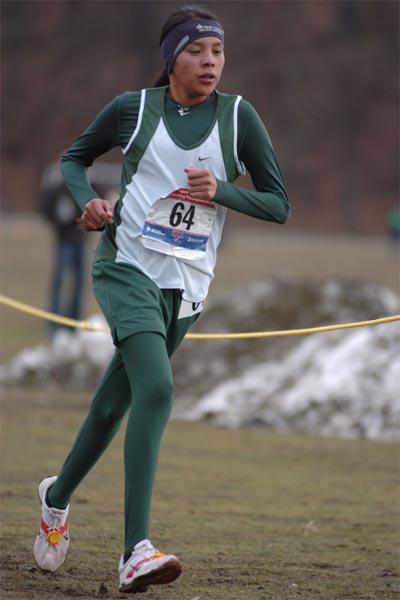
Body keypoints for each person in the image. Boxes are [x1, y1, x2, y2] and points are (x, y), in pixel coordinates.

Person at [33, 4, 290, 594]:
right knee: (157, 388)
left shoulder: (239, 118)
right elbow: (75, 159)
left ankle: (56, 497)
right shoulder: (133, 108)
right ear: (171, 58)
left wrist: (223, 190)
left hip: (189, 285)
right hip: (126, 268)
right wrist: (87, 202)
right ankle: (135, 551)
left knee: (112, 406)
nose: (210, 62)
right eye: (197, 51)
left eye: (218, 52)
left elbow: (279, 203)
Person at [40, 161, 87, 336]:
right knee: (59, 281)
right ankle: (54, 323)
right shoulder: (56, 189)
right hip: (63, 241)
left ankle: (73, 322)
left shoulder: (85, 186)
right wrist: (58, 227)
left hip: (80, 241)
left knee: (80, 283)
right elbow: (45, 209)